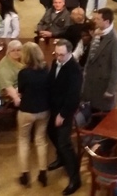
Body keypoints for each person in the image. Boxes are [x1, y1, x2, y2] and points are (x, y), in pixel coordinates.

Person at [46, 39, 83, 195]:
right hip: (54, 108)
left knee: (64, 143)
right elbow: (51, 81)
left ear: (70, 53)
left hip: (65, 111)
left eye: (62, 55)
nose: (58, 57)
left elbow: (73, 96)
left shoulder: (74, 70)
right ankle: (61, 159)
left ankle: (75, 178)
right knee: (51, 132)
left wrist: (62, 115)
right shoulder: (56, 62)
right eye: (57, 54)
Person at [13, 42, 51, 188]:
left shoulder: (24, 73)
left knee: (23, 140)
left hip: (27, 111)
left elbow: (21, 90)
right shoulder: (46, 69)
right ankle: (43, 173)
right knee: (40, 141)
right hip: (44, 110)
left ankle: (25, 175)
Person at [82, 8, 117, 112]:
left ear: (106, 21)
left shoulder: (115, 41)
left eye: (98, 19)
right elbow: (91, 57)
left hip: (103, 87)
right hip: (91, 82)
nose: (94, 21)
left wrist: (111, 90)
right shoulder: (98, 33)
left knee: (100, 116)